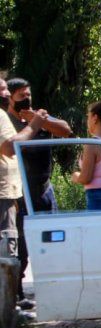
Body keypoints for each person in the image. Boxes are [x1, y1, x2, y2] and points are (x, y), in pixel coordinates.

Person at [0, 76, 49, 307]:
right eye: (4, 90)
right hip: (6, 197)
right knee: (8, 250)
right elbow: (11, 147)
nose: (7, 94)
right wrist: (34, 125)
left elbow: (65, 130)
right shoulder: (3, 117)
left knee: (16, 248)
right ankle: (8, 310)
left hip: (20, 193)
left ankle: (12, 303)